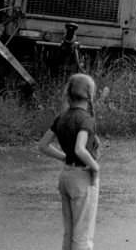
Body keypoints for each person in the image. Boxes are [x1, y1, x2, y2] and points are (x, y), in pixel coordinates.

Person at [38, 73, 100, 250]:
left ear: (69, 93)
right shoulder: (86, 119)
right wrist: (95, 166)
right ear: (89, 95)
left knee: (70, 232)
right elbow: (80, 149)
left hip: (66, 176)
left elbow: (42, 146)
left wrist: (64, 157)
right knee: (82, 235)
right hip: (82, 177)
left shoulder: (62, 117)